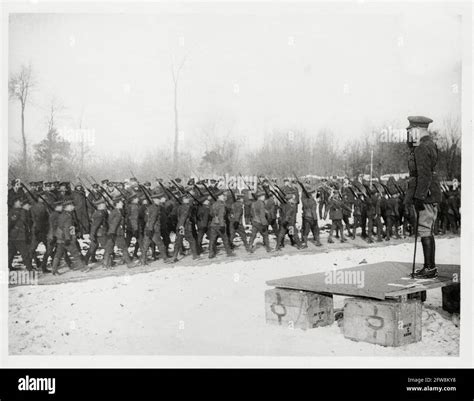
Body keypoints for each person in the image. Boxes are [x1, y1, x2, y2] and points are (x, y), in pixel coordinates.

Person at [405, 116, 442, 278]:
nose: (409, 133)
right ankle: (429, 266)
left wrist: (419, 196)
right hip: (429, 192)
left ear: (418, 130)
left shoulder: (421, 147)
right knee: (426, 228)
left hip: (424, 194)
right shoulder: (429, 144)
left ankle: (430, 268)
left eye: (411, 130)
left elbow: (424, 174)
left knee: (424, 229)